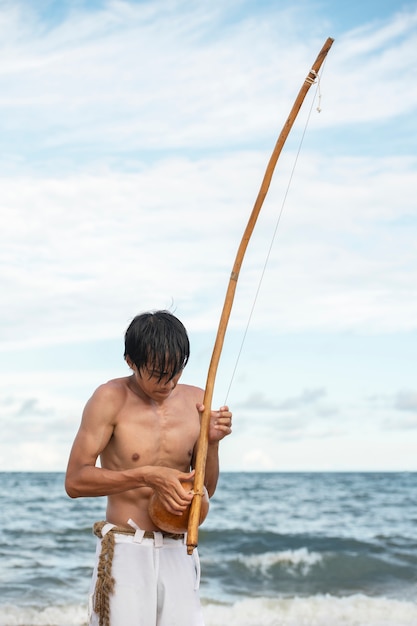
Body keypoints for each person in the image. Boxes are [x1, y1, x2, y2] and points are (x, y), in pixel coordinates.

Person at [65, 310, 233, 626]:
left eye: (176, 372)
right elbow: (74, 481)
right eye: (157, 373)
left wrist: (212, 443)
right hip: (127, 547)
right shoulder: (109, 399)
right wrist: (146, 475)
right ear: (130, 360)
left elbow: (205, 491)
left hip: (179, 550)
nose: (168, 383)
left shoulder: (199, 400)